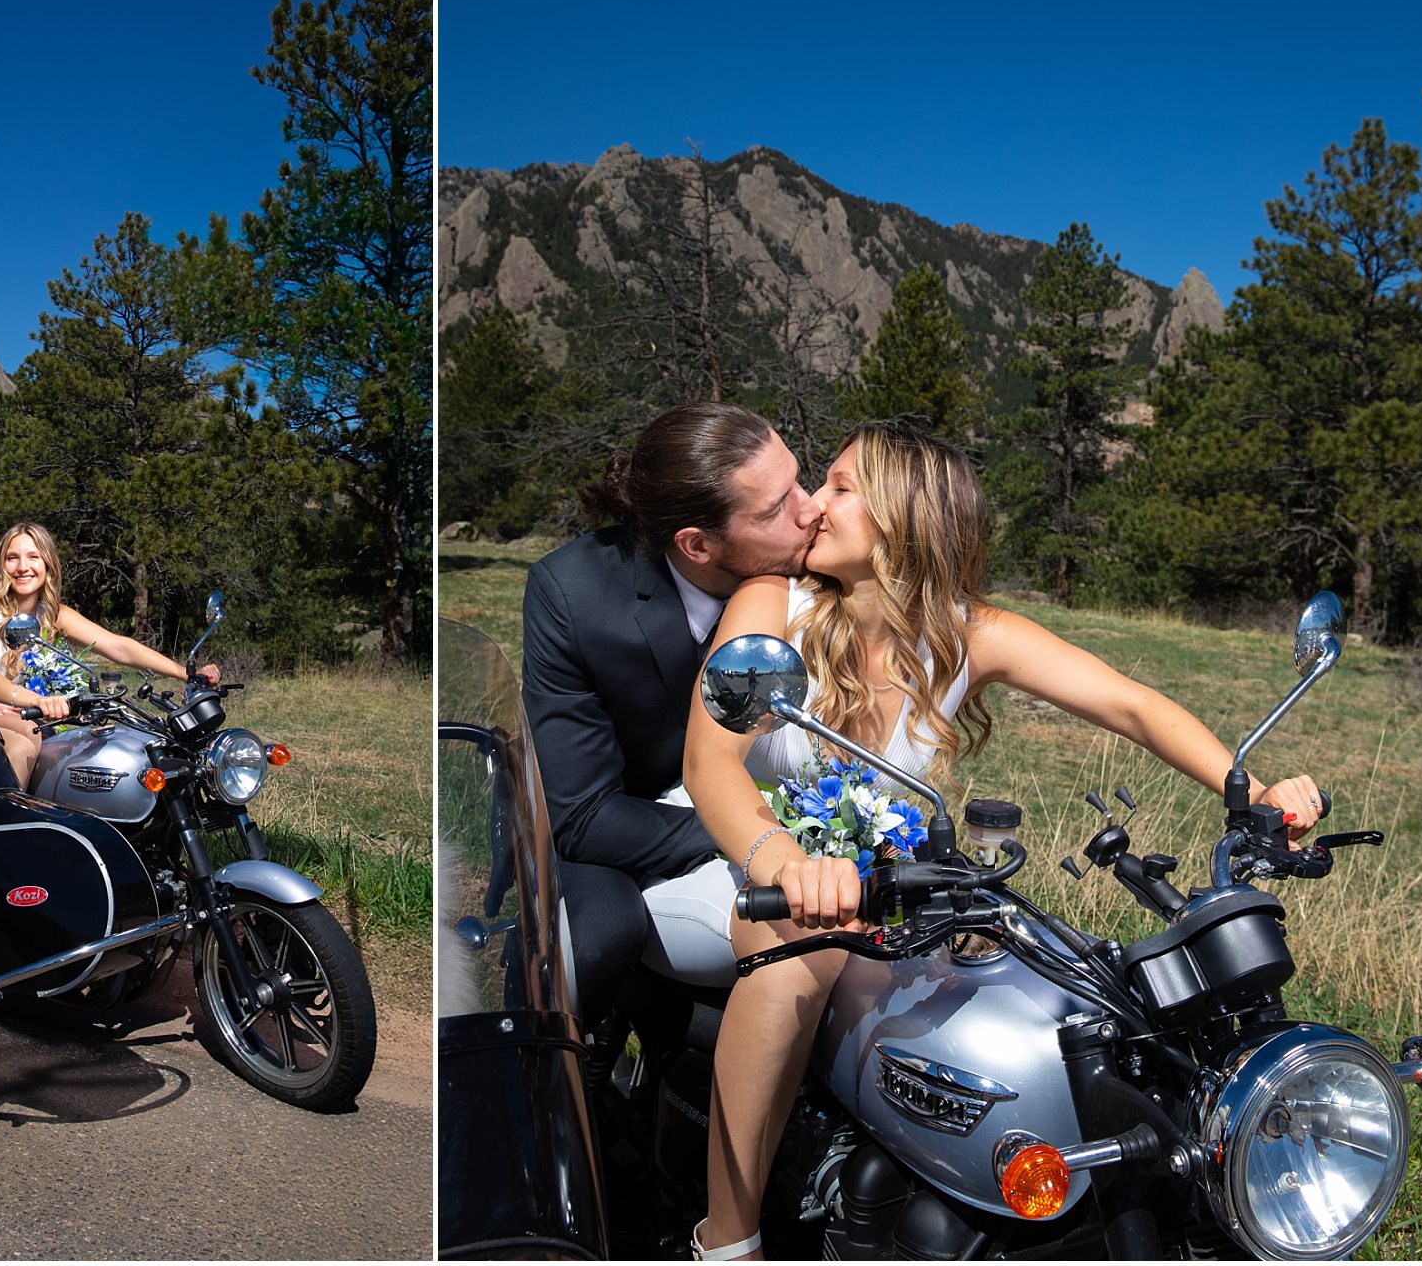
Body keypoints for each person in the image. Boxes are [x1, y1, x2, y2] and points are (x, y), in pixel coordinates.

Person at [680, 421, 1323, 1261]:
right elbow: (710, 764)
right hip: (744, 865)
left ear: (904, 518)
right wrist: (787, 864)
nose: (812, 508)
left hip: (883, 888)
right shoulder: (773, 605)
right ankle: (726, 1240)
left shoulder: (964, 632)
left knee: (1055, 980)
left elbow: (1129, 703)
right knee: (799, 944)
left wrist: (1251, 785)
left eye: (839, 487)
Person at [521, 402, 824, 1022]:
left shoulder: (822, 568)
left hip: (771, 821)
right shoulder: (574, 595)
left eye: (799, 479)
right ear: (697, 543)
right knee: (601, 935)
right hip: (610, 832)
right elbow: (579, 815)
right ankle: (576, 1082)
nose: (811, 509)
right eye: (775, 508)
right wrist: (767, 839)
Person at [0, 520, 218, 785]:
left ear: (48, 563)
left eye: (33, 557)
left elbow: (118, 646)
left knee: (93, 748)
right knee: (26, 742)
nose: (23, 567)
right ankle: (9, 822)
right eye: (13, 558)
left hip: (24, 716)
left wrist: (184, 673)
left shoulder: (51, 614)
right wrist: (34, 699)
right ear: (2, 565)